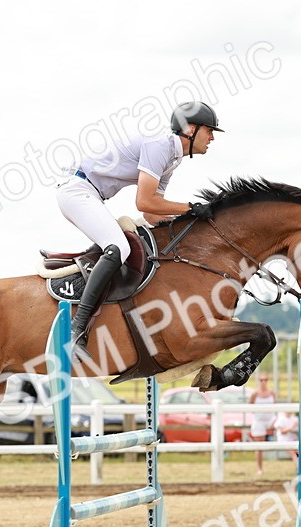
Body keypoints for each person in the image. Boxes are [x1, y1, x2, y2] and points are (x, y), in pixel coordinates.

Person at [57, 101, 223, 348]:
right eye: (209, 130)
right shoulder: (159, 146)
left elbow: (152, 213)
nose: (211, 138)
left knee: (127, 244)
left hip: (91, 194)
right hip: (77, 191)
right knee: (118, 248)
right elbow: (144, 201)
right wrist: (190, 207)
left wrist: (192, 219)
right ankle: (77, 329)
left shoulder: (172, 159)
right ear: (190, 129)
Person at [248, 373, 277, 476]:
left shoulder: (272, 393)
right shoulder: (255, 394)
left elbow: (275, 406)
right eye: (261, 380)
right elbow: (250, 406)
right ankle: (260, 469)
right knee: (259, 446)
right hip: (259, 420)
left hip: (270, 420)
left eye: (265, 380)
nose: (263, 382)